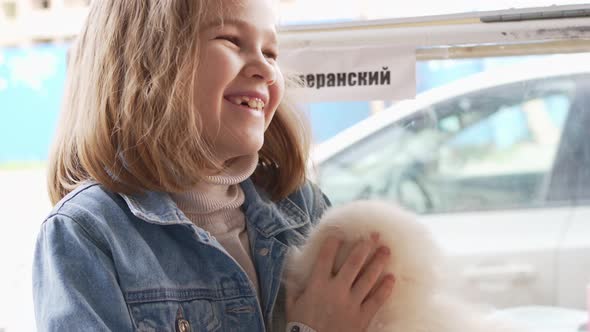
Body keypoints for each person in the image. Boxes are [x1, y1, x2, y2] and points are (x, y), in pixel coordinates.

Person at [32, 0, 395, 331]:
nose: (266, 71)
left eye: (270, 53)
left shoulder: (301, 206)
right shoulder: (87, 233)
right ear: (149, 60)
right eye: (233, 41)